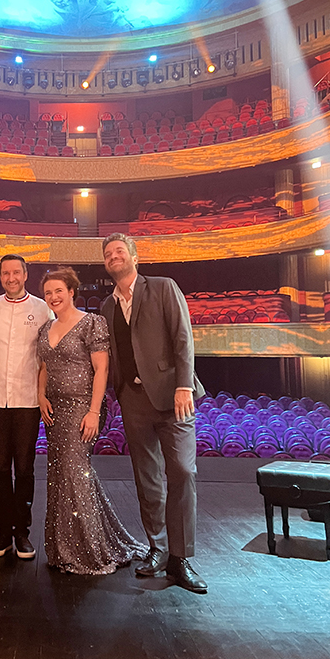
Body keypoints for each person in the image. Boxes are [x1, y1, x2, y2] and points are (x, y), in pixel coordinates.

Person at [101, 233, 207, 594]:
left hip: (174, 395)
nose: (114, 257)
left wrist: (184, 385)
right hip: (132, 398)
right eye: (108, 254)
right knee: (147, 478)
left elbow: (183, 337)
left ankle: (181, 558)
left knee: (182, 471)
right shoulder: (106, 307)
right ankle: (158, 550)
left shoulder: (163, 287)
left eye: (119, 251)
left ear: (134, 256)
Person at [37, 267, 147, 575]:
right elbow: (44, 366)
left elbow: (102, 369)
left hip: (81, 407)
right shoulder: (45, 329)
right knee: (61, 475)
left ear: (72, 291)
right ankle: (63, 549)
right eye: (48, 293)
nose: (53, 297)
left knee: (76, 472)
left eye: (58, 290)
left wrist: (94, 411)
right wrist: (40, 396)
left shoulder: (91, 323)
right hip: (53, 410)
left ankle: (92, 550)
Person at [0, 254, 52, 559]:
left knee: (24, 468)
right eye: (5, 273)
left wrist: (43, 393)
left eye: (16, 272)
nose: (11, 278)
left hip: (27, 400)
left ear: (25, 275)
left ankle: (22, 532)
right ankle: (2, 533)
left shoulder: (42, 308)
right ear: (0, 277)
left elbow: (48, 357)